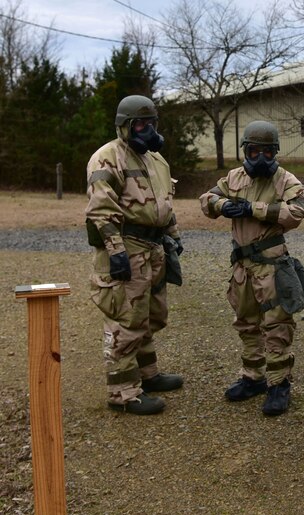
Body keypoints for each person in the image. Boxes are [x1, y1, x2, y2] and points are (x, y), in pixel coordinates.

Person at [86, 94, 184, 415]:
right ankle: (123, 393)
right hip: (126, 247)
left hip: (153, 249)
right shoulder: (107, 158)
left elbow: (164, 204)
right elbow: (101, 211)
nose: (147, 130)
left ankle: (148, 374)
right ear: (125, 126)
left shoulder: (157, 160)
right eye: (140, 124)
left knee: (150, 314)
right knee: (126, 317)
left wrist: (172, 237)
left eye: (152, 123)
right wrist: (116, 253)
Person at [200, 121, 304, 416]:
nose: (261, 158)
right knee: (246, 322)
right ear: (245, 150)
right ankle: (253, 377)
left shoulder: (287, 181)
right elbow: (206, 200)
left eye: (268, 153)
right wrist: (222, 206)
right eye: (254, 151)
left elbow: (296, 212)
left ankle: (279, 384)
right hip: (241, 266)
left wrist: (253, 209)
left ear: (276, 153)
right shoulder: (234, 177)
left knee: (277, 325)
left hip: (272, 265)